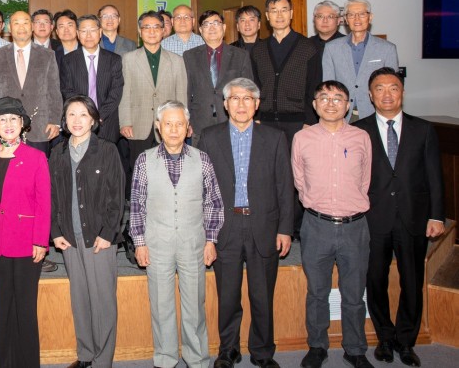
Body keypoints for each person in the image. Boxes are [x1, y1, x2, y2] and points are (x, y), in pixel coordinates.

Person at [199, 78, 293, 368]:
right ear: (225, 104)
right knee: (227, 296)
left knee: (262, 295)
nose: (241, 104)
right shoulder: (209, 137)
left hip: (263, 226)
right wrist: (206, 234)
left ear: (257, 104)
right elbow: (201, 189)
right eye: (235, 99)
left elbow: (285, 186)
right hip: (225, 227)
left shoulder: (275, 138)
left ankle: (263, 352)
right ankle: (228, 350)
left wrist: (285, 229)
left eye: (247, 98)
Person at [354, 68, 445, 366]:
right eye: (379, 88)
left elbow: (434, 175)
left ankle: (406, 341)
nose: (387, 94)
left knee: (412, 281)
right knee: (375, 279)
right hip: (373, 218)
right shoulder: (358, 130)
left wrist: (437, 216)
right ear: (371, 95)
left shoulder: (423, 129)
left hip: (413, 217)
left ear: (402, 92)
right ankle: (384, 337)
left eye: (393, 87)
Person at [130, 100, 224, 368]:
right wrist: (139, 243)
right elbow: (136, 204)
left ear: (188, 127)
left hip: (193, 243)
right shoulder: (144, 160)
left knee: (195, 306)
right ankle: (165, 359)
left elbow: (214, 202)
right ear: (158, 127)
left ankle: (197, 360)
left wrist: (211, 240)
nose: (173, 129)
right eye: (168, 124)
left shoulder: (202, 159)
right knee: (161, 307)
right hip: (156, 244)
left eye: (179, 124)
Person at [291, 80, 373, 368]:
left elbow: (365, 180)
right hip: (317, 225)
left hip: (355, 227)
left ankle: (355, 349)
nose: (330, 103)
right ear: (315, 105)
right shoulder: (302, 138)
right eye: (324, 98)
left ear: (347, 105)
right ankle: (317, 347)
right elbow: (299, 181)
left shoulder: (361, 137)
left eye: (338, 98)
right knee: (317, 293)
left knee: (354, 293)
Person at [0, 97, 51, 368]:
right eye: (2, 120)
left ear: (22, 124)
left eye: (13, 119)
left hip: (27, 242)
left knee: (25, 309)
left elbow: (44, 203)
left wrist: (41, 240)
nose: (8, 124)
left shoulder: (36, 157)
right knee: (2, 306)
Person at [50, 96, 125, 368]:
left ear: (93, 120)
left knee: (103, 302)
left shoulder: (107, 151)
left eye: (83, 114)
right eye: (71, 114)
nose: (77, 120)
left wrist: (108, 233)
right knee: (80, 299)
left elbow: (117, 197)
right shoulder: (57, 153)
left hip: (99, 238)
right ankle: (85, 355)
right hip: (69, 238)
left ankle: (103, 361)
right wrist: (55, 231)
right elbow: (51, 197)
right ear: (64, 120)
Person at [251, 0, 322, 240]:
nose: (279, 15)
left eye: (284, 10)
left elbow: (314, 85)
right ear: (267, 17)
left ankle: (295, 226)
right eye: (274, 11)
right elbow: (254, 85)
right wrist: (256, 116)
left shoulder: (308, 47)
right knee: (269, 174)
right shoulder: (259, 49)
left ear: (291, 14)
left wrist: (309, 121)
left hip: (298, 122)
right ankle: (274, 223)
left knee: (296, 175)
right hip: (266, 121)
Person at [119, 10, 187, 171]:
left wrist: (183, 122)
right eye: (146, 27)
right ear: (140, 31)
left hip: (169, 125)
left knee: (168, 169)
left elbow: (181, 95)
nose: (151, 31)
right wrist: (125, 122)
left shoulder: (177, 61)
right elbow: (124, 94)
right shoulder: (128, 59)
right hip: (137, 124)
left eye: (156, 27)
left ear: (163, 31)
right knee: (139, 169)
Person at [0, 11, 63, 156]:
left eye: (25, 23)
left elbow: (54, 91)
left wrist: (55, 121)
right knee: (8, 167)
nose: (21, 27)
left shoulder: (47, 55)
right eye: (16, 23)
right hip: (7, 126)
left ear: (32, 26)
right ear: (9, 28)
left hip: (40, 127)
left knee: (37, 168)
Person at [322, 0, 399, 121]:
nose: (357, 19)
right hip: (343, 115)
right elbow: (328, 86)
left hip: (374, 114)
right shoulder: (332, 48)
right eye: (351, 15)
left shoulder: (387, 49)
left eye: (362, 14)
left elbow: (393, 87)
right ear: (346, 19)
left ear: (370, 17)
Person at [184, 10, 252, 146]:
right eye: (206, 24)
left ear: (224, 27)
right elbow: (185, 91)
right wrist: (186, 120)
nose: (212, 28)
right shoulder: (190, 56)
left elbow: (248, 91)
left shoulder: (240, 55)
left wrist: (247, 118)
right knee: (201, 159)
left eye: (216, 23)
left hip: (232, 120)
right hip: (199, 123)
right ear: (200, 30)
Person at [60, 15, 125, 144]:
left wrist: (98, 116)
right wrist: (86, 114)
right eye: (84, 31)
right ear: (78, 34)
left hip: (106, 122)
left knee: (106, 155)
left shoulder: (114, 59)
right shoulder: (68, 60)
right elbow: (67, 91)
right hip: (79, 122)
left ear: (100, 32)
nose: (88, 35)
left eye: (93, 30)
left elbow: (116, 92)